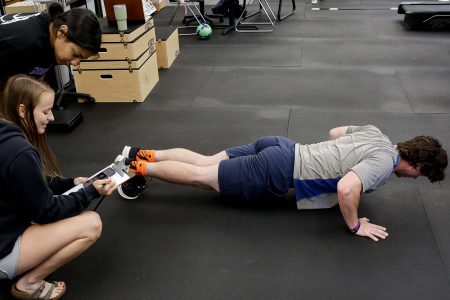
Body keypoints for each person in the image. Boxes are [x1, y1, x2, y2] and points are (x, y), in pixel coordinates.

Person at [119, 125, 447, 242]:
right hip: (277, 168)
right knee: (200, 177)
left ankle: (139, 152)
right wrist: (354, 224)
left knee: (205, 161)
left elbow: (335, 133)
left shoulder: (378, 135)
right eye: (421, 174)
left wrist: (329, 157)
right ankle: (135, 167)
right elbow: (348, 188)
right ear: (416, 164)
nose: (415, 178)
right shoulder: (383, 164)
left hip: (282, 145)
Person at [0, 75, 117, 299]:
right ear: (23, 110)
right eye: (45, 112)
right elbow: (46, 212)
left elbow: (30, 184)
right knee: (91, 224)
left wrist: (71, 184)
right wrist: (90, 192)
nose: (51, 117)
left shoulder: (5, 136)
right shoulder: (20, 152)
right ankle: (28, 283)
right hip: (3, 252)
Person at [0, 3, 101, 91]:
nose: (75, 63)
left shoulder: (51, 32)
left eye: (81, 59)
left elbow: (36, 74)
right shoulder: (27, 43)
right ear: (62, 33)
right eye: (75, 54)